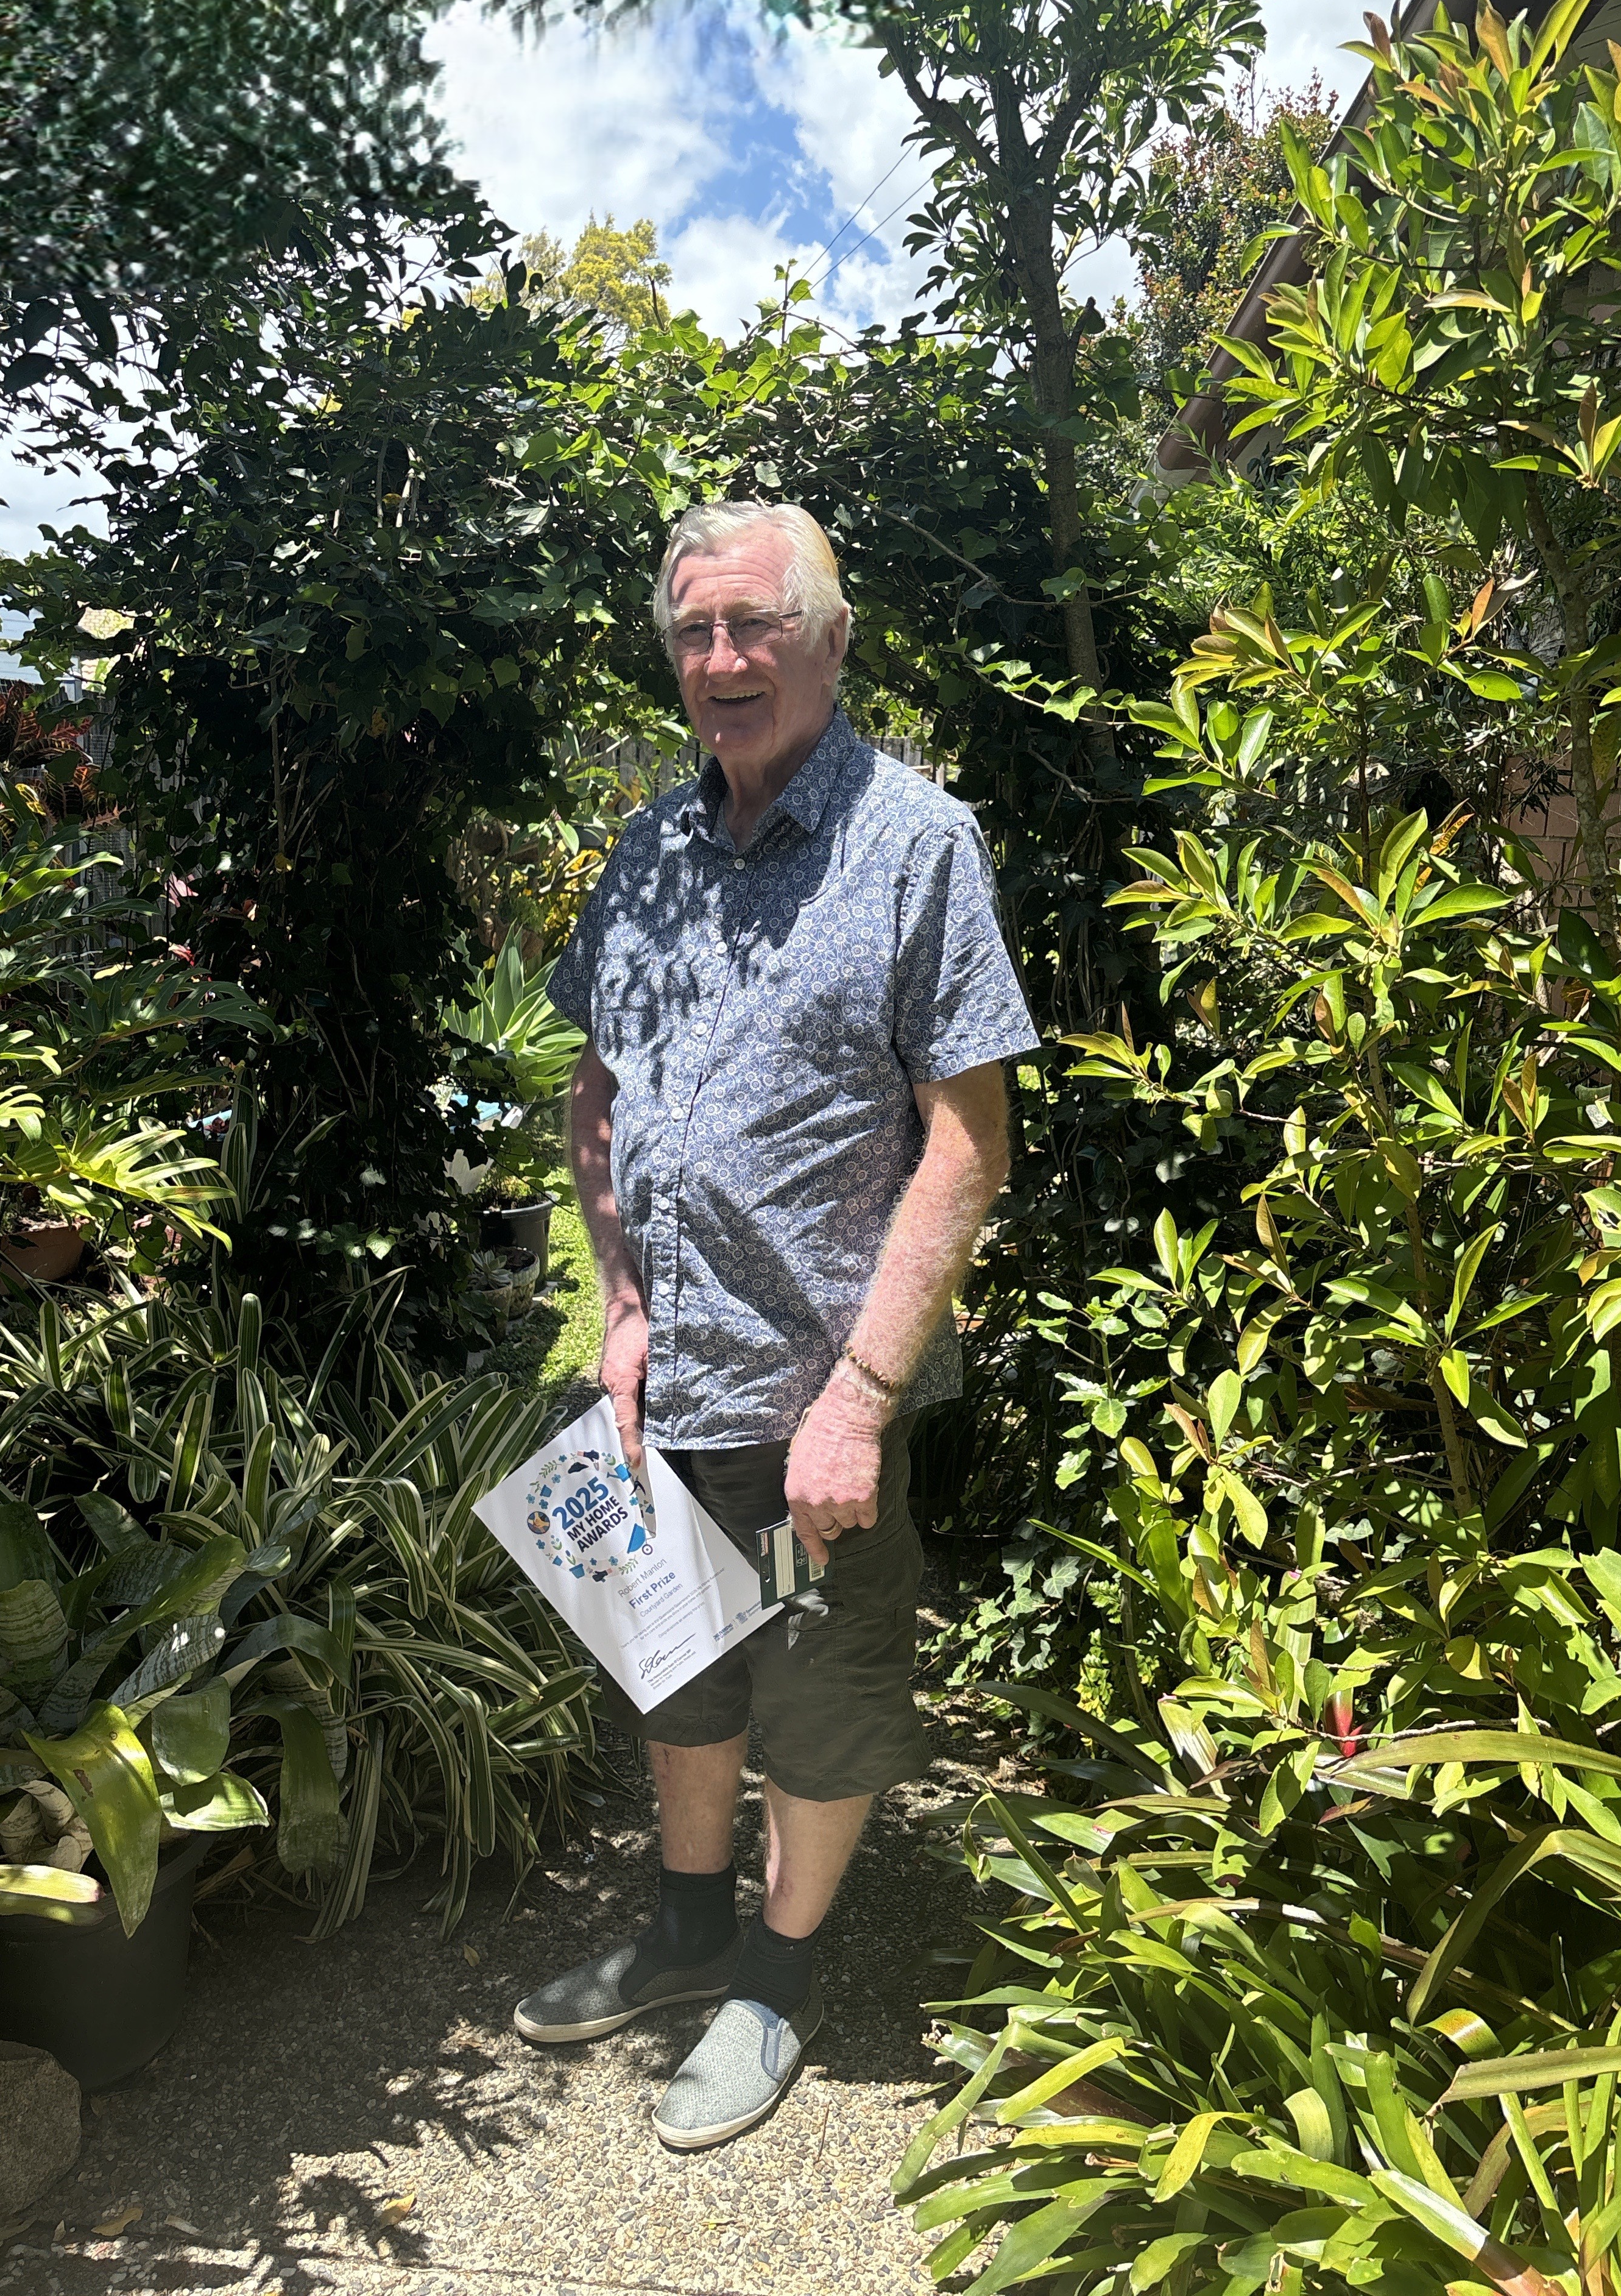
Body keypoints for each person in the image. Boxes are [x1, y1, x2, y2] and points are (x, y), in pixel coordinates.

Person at [515, 498, 1037, 2149]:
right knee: (677, 1678)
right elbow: (595, 1081)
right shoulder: (649, 847)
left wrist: (862, 1394)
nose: (722, 661)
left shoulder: (916, 841)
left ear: (827, 638)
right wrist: (618, 1297)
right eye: (694, 634)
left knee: (824, 1694)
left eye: (753, 626)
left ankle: (779, 1978)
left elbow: (971, 1138)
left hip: (824, 1405)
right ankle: (682, 1928)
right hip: (666, 1383)